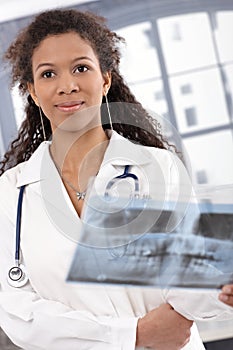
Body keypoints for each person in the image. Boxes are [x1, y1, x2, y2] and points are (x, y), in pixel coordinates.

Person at [0, 9, 232, 350]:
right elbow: (18, 314)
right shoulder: (10, 193)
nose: (67, 86)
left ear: (105, 79)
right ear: (32, 92)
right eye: (48, 74)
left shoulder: (158, 167)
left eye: (81, 68)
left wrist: (220, 287)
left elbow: (190, 283)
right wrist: (132, 336)